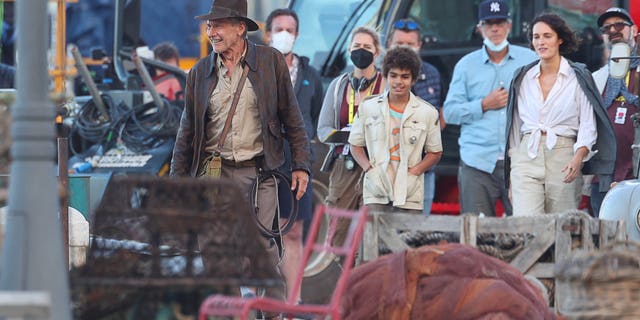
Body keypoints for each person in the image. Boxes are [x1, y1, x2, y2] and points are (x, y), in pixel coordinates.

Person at [170, 0, 312, 305]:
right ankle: (233, 314)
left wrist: (301, 164)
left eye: (218, 25)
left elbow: (293, 119)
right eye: (209, 26)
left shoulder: (270, 62)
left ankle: (273, 312)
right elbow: (187, 133)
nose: (212, 32)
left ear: (240, 28)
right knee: (216, 252)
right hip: (214, 173)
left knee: (261, 250)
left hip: (258, 172)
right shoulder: (199, 72)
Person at [505, 13, 616, 216]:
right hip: (526, 155)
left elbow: (588, 124)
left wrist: (578, 157)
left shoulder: (578, 76)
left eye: (547, 36)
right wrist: (512, 173)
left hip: (564, 155)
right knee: (525, 226)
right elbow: (513, 127)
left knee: (561, 228)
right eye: (536, 37)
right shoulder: (523, 77)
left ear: (560, 39)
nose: (541, 42)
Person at [443, 0, 537, 216]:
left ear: (509, 26)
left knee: (525, 232)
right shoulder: (466, 65)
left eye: (500, 22)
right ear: (479, 28)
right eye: (489, 23)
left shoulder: (529, 60)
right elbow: (450, 112)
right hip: (477, 162)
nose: (495, 29)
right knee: (475, 234)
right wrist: (483, 105)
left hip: (520, 162)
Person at [264, 8, 323, 303]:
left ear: (297, 35)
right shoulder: (257, 72)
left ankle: (293, 301)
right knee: (261, 230)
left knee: (294, 232)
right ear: (268, 33)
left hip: (298, 166)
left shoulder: (311, 75)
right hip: (263, 165)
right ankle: (258, 296)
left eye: (290, 29)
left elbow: (314, 116)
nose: (284, 35)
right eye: (279, 29)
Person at [348, 46, 442, 213]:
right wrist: (369, 169)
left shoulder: (427, 112)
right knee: (373, 238)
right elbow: (355, 145)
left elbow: (435, 152)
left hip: (410, 193)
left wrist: (415, 172)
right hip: (376, 190)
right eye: (393, 76)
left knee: (408, 238)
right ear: (386, 76)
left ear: (413, 80)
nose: (399, 82)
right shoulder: (368, 107)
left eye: (405, 77)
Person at [317, 26, 385, 212]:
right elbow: (323, 130)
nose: (361, 50)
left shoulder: (386, 85)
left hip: (376, 165)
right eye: (356, 45)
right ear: (349, 50)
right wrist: (351, 137)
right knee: (337, 230)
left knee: (373, 228)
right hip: (344, 163)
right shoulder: (338, 85)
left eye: (367, 46)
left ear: (376, 52)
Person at [386, 18, 443, 216]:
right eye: (399, 43)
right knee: (384, 234)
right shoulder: (379, 75)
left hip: (422, 170)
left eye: (410, 45)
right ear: (389, 45)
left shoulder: (432, 74)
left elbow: (439, 117)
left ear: (419, 46)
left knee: (416, 235)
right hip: (387, 170)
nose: (405, 49)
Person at [590, 7, 639, 216]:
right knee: (605, 242)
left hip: (636, 173)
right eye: (607, 27)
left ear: (634, 30)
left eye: (619, 24)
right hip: (605, 175)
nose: (613, 30)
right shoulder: (597, 77)